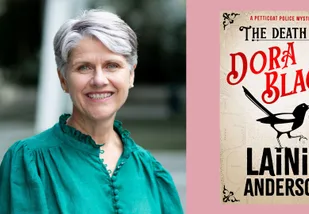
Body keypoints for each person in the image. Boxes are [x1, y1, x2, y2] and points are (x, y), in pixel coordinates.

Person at [0, 9, 183, 214]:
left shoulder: (153, 174)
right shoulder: (29, 163)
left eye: (112, 65)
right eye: (84, 67)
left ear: (130, 75)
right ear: (63, 79)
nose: (99, 80)